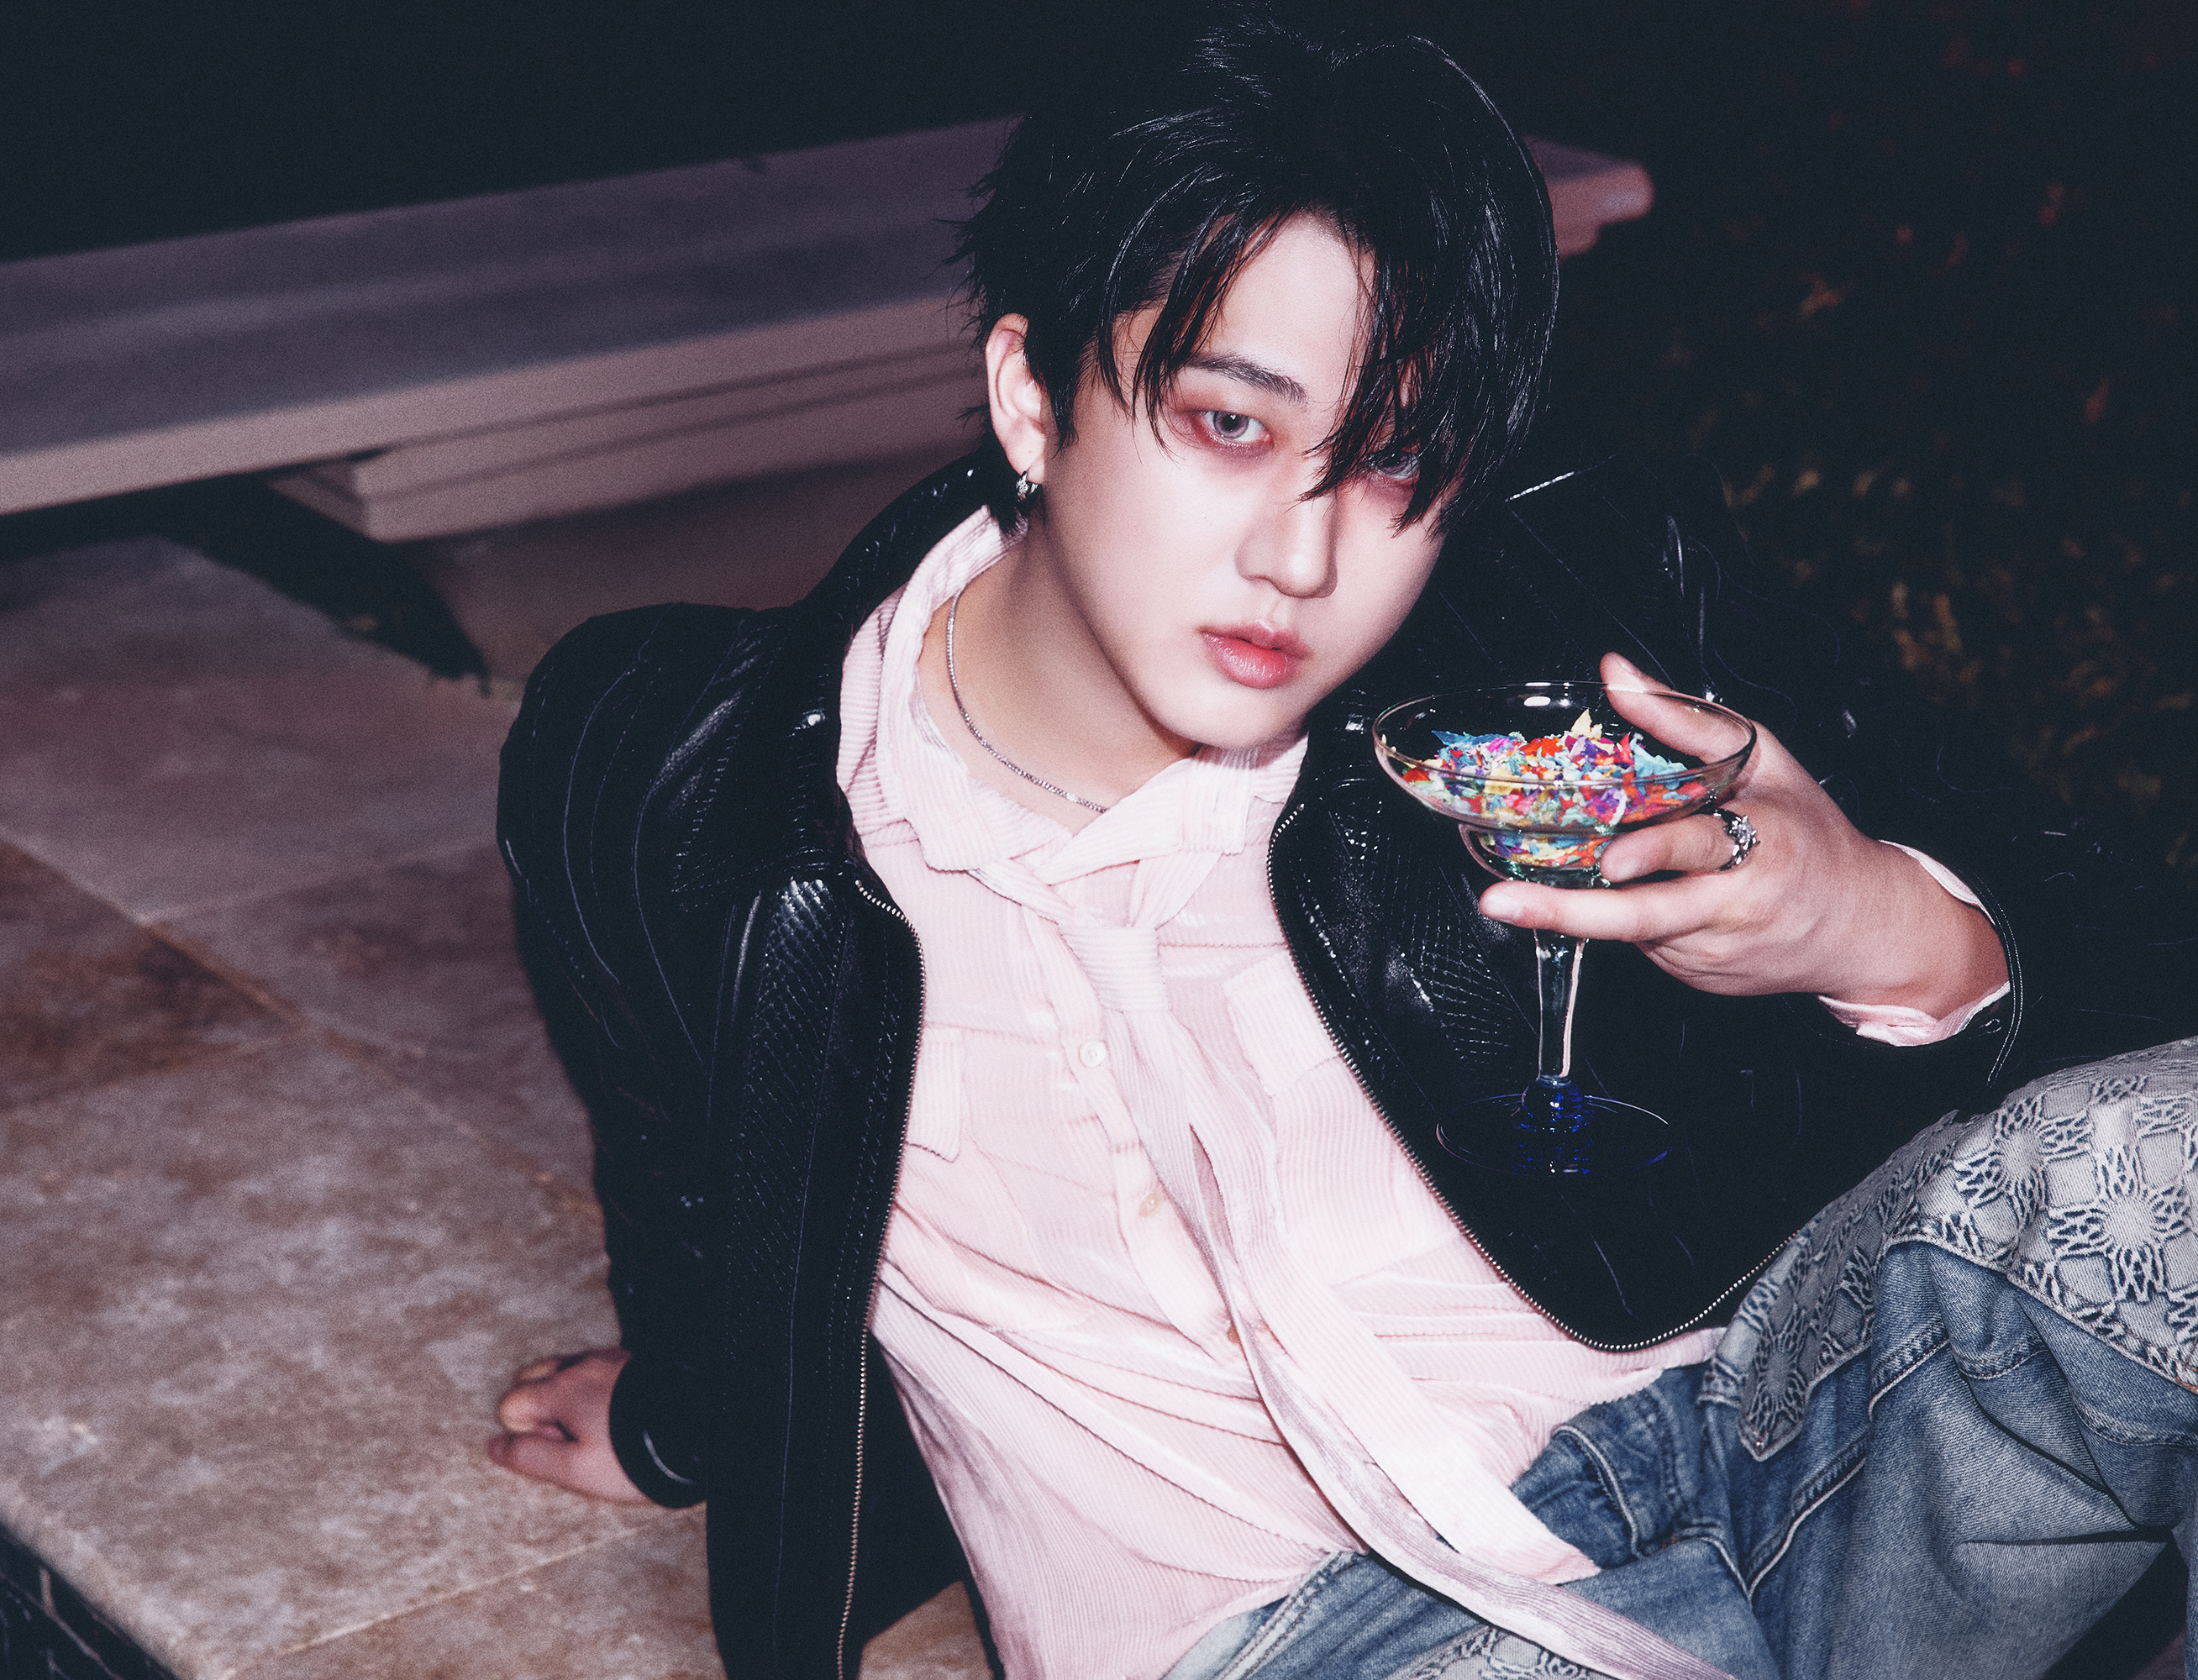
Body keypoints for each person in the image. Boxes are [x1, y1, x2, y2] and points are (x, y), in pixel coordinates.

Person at [490, 8, 2198, 1678]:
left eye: (1392, 465)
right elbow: (695, 1155)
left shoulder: (1560, 621)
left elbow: (2130, 941)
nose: (1301, 561)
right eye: (1229, 424)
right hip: (1301, 1618)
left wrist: (1883, 923)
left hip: (1765, 1426)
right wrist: (683, 1420)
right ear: (1029, 395)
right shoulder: (695, 778)